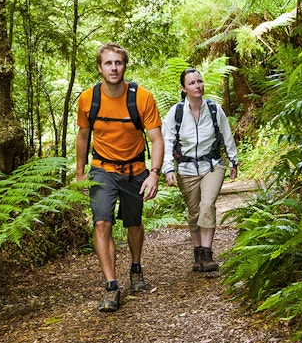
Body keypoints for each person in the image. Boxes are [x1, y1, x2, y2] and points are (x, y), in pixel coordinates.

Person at [76, 42, 164, 312]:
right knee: (102, 223)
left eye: (118, 63)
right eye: (108, 63)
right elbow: (83, 136)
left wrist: (154, 174)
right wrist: (80, 172)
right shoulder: (88, 99)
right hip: (102, 170)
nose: (114, 68)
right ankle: (111, 286)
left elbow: (156, 138)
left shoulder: (142, 97)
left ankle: (135, 266)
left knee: (134, 223)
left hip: (135, 169)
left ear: (125, 65)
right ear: (99, 67)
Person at [161, 68, 237, 273]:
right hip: (186, 169)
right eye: (192, 83)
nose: (198, 86)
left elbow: (226, 134)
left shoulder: (213, 109)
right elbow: (167, 142)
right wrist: (168, 168)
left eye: (200, 81)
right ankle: (197, 252)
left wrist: (233, 160)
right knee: (194, 212)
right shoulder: (176, 113)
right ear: (183, 88)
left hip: (212, 165)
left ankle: (207, 253)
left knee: (207, 205)